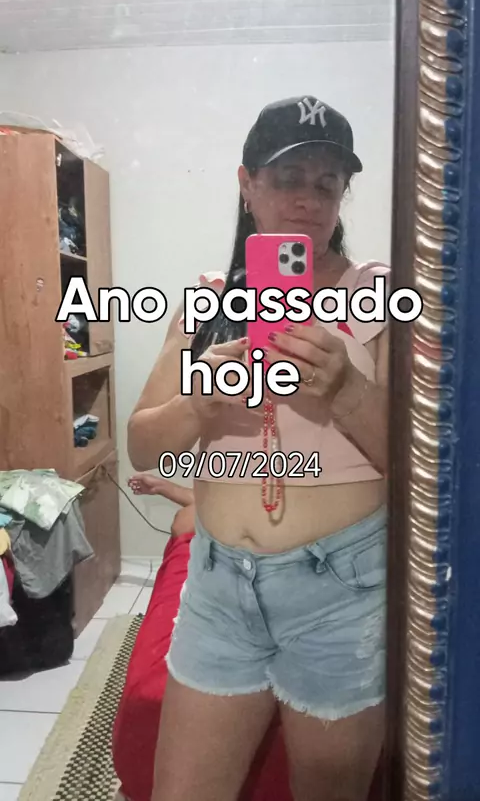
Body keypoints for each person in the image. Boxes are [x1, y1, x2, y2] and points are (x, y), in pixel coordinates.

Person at [128, 96, 390, 801]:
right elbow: (142, 444)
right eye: (287, 178)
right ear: (246, 185)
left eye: (327, 183)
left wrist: (347, 389)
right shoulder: (208, 301)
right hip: (218, 587)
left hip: (340, 590)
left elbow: (422, 466)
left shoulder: (378, 293)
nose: (308, 199)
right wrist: (198, 401)